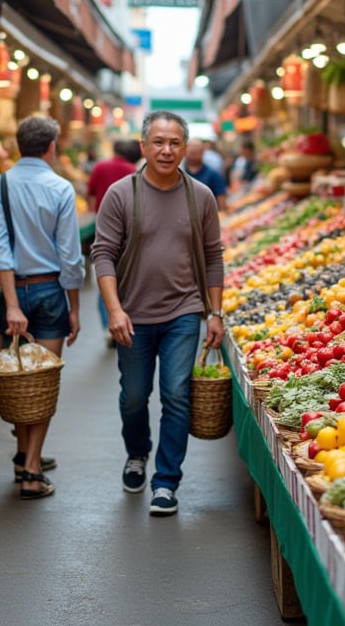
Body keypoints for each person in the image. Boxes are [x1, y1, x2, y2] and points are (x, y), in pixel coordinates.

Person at [90, 111, 225, 516]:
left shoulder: (200, 196)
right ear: (145, 146)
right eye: (159, 142)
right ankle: (137, 453)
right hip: (132, 314)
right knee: (134, 397)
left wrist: (214, 312)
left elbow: (213, 256)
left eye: (175, 143)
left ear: (186, 148)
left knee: (176, 395)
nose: (167, 150)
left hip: (183, 312)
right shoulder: (120, 194)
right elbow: (103, 254)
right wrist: (114, 311)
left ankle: (166, 481)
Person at [0, 115, 83, 500]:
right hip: (49, 291)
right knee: (41, 383)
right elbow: (70, 257)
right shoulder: (60, 188)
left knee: (19, 378)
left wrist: (12, 303)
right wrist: (73, 307)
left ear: (18, 146)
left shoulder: (0, 185)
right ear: (50, 148)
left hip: (13, 291)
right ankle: (30, 471)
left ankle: (25, 454)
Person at [86, 138, 142, 345]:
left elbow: (90, 194)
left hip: (104, 226)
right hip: (129, 231)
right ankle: (127, 319)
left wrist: (97, 215)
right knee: (125, 277)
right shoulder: (132, 170)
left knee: (105, 274)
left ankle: (110, 325)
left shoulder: (100, 167)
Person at [184, 137, 229, 212]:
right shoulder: (178, 174)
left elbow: (222, 202)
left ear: (202, 153)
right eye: (189, 152)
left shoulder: (213, 175)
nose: (191, 156)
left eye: (194, 153)